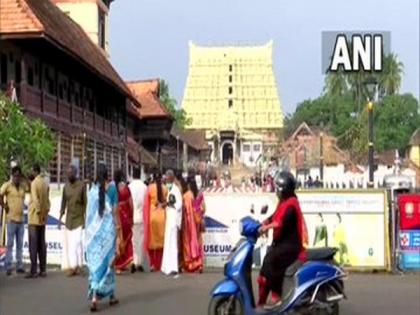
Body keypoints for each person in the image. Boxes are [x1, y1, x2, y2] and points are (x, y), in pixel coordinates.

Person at [257, 171, 308, 306]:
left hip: (291, 246)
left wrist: (267, 228)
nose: (276, 190)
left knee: (270, 260)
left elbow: (282, 222)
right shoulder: (284, 202)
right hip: (282, 243)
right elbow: (275, 216)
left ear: (283, 188)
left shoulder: (292, 204)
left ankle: (278, 294)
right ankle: (262, 303)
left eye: (277, 187)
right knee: (265, 266)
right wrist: (263, 222)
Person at [85, 163, 119, 312]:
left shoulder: (91, 192)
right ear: (106, 175)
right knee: (108, 265)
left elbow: (89, 217)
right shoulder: (109, 192)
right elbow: (113, 214)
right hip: (107, 236)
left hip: (93, 237)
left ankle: (94, 297)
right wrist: (118, 232)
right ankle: (110, 295)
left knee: (96, 266)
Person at [59, 165, 87, 276]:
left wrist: (85, 219)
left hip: (79, 219)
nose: (69, 175)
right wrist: (60, 215)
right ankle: (79, 266)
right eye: (68, 173)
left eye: (71, 173)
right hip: (69, 220)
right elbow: (63, 202)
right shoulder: (65, 187)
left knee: (75, 244)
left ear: (76, 173)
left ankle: (73, 267)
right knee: (75, 244)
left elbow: (85, 203)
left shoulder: (82, 186)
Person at [0, 166, 26, 276]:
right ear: (12, 176)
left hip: (21, 220)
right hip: (11, 219)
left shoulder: (22, 187)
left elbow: (29, 187)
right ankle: (8, 266)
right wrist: (4, 205)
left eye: (18, 176)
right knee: (10, 244)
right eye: (15, 176)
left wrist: (25, 178)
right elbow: (0, 195)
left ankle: (19, 265)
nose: (17, 178)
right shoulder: (7, 185)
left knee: (20, 245)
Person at [26, 164, 50, 279]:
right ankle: (43, 269)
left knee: (33, 245)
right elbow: (47, 201)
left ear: (35, 171)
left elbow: (35, 200)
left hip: (34, 218)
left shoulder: (34, 183)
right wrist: (45, 214)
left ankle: (34, 271)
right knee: (42, 245)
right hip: (43, 219)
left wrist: (39, 212)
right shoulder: (45, 183)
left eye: (31, 170)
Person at [143, 173, 168, 272]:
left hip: (152, 216)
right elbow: (167, 202)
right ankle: (159, 264)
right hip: (162, 216)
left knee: (152, 242)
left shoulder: (150, 188)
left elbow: (146, 204)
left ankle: (152, 264)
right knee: (161, 242)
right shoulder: (165, 188)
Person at [161, 170, 182, 277]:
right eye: (166, 179)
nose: (167, 181)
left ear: (172, 179)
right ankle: (167, 266)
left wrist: (168, 204)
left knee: (172, 243)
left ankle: (174, 267)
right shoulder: (169, 190)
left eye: (168, 179)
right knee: (168, 242)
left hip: (173, 219)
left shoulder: (176, 190)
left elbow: (179, 205)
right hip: (169, 218)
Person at [180, 177, 202, 273]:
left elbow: (184, 210)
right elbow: (202, 209)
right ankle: (198, 263)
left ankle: (190, 263)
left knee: (187, 243)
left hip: (188, 222)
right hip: (197, 221)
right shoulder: (197, 195)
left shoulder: (186, 196)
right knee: (196, 242)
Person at [114, 169, 134, 274]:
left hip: (117, 217)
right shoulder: (125, 188)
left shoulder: (113, 189)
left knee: (118, 241)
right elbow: (131, 204)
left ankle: (118, 266)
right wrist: (132, 216)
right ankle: (128, 261)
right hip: (125, 217)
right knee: (127, 240)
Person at [128, 168, 147, 272]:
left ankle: (133, 261)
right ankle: (139, 262)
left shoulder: (129, 187)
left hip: (132, 216)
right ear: (140, 174)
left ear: (132, 174)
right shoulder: (144, 187)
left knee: (132, 240)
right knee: (140, 240)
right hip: (141, 216)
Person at [188, 176, 206, 272]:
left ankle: (193, 263)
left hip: (191, 221)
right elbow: (204, 208)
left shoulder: (189, 195)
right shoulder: (200, 195)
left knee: (192, 241)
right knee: (199, 241)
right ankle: (200, 264)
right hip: (199, 219)